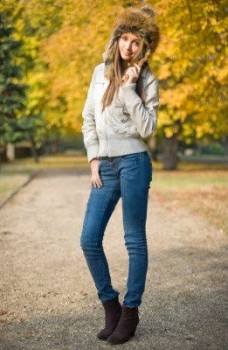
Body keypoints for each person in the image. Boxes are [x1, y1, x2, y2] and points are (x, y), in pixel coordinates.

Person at [80, 5, 160, 345]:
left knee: (133, 239)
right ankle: (110, 305)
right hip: (106, 166)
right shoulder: (99, 72)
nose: (129, 47)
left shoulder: (148, 81)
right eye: (124, 39)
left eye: (136, 42)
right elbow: (87, 118)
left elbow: (148, 128)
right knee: (89, 239)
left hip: (134, 162)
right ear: (116, 40)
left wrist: (129, 89)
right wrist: (93, 158)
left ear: (144, 48)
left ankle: (131, 311)